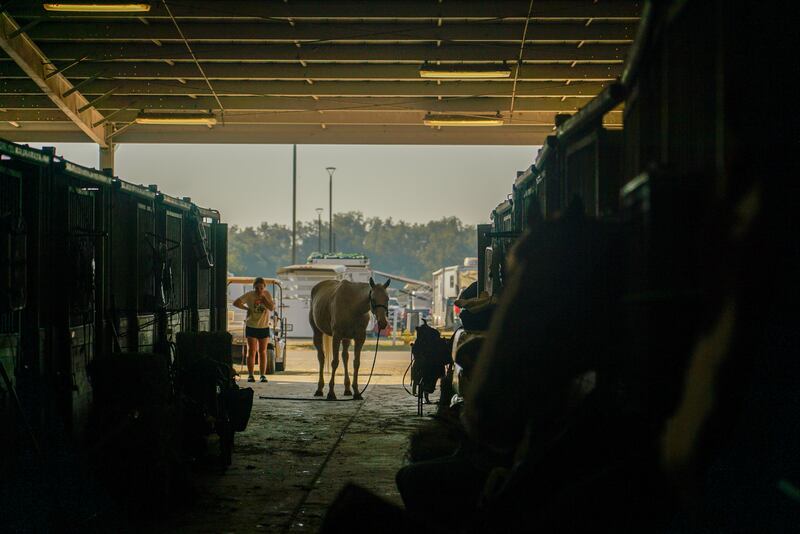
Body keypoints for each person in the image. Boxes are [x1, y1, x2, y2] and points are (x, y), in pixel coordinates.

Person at [233, 277, 275, 383]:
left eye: (261, 288)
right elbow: (236, 303)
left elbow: (271, 308)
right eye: (256, 288)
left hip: (264, 326)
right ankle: (251, 375)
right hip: (251, 326)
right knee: (251, 350)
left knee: (262, 351)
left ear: (264, 287)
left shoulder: (267, 294)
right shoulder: (249, 295)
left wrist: (264, 299)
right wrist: (247, 309)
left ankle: (262, 375)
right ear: (253, 287)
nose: (259, 290)